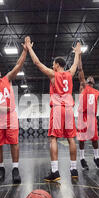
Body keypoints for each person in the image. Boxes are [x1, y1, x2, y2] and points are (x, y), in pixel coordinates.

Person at [25, 36, 81, 182]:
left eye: (53, 64)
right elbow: (75, 64)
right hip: (69, 108)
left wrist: (29, 48)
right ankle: (74, 169)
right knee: (71, 138)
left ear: (57, 64)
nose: (52, 65)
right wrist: (78, 52)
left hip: (57, 108)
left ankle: (55, 172)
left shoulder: (53, 74)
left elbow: (37, 63)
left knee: (53, 138)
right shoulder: (70, 73)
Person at [0, 39, 28, 184]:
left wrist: (25, 50)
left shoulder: (6, 79)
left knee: (14, 142)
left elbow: (18, 65)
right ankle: (1, 168)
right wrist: (0, 108)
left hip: (11, 117)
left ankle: (15, 169)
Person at [76, 53, 99, 170]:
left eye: (92, 79)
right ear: (86, 81)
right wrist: (79, 55)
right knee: (82, 139)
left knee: (95, 139)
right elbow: (80, 69)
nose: (90, 79)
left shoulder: (96, 92)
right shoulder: (83, 87)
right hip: (83, 116)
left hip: (92, 117)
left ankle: (96, 157)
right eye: (88, 79)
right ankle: (82, 158)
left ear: (94, 82)